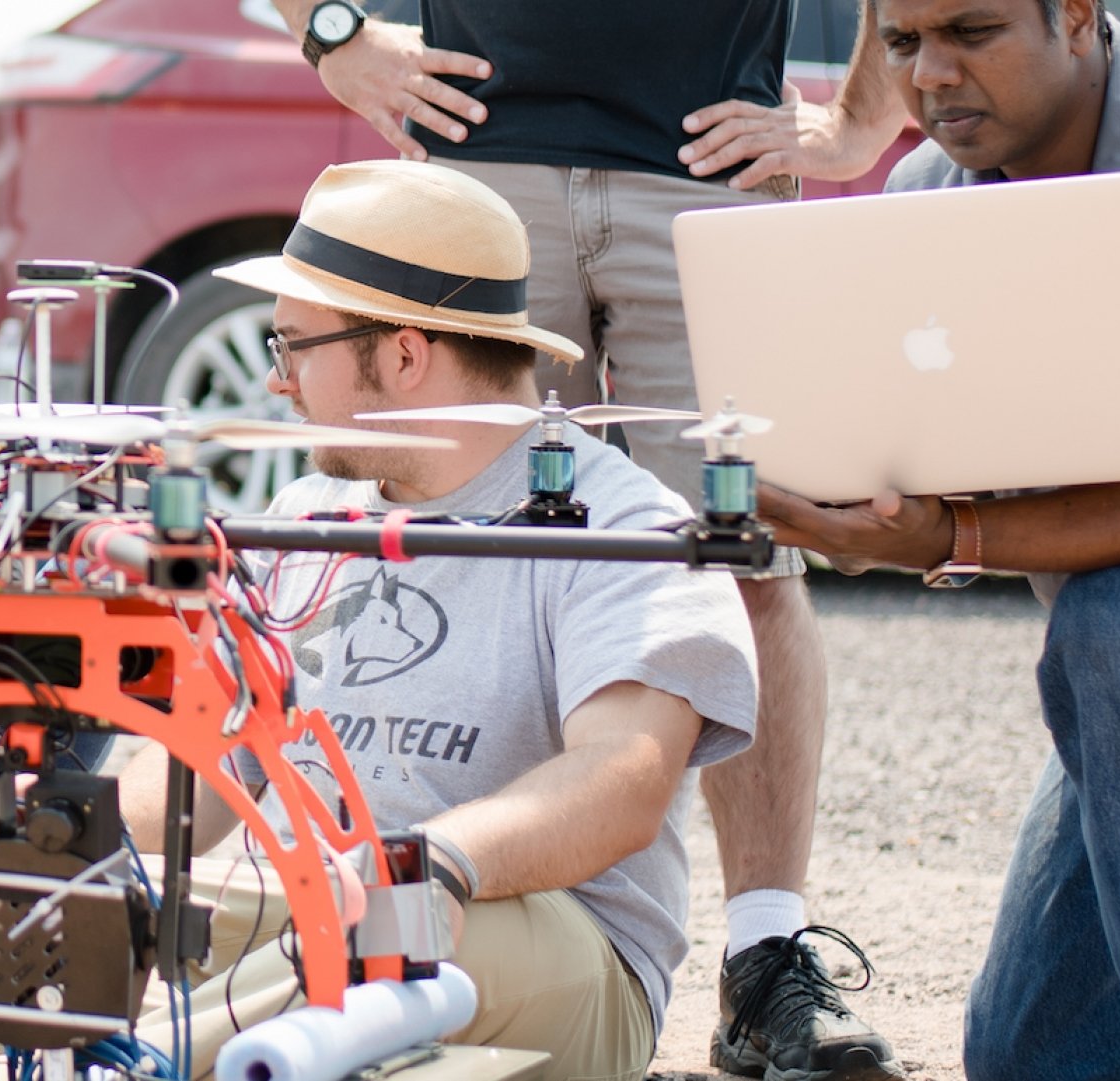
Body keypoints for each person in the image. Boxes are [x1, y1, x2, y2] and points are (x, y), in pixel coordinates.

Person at [267, 3, 911, 1075]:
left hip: (705, 156)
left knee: (739, 555)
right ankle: (450, 884)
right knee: (457, 526)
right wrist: (334, 32)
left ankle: (762, 954)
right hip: (484, 145)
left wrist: (856, 124)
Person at [116, 159, 760, 1081]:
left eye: (294, 347)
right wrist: (95, 861)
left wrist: (437, 862)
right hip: (297, 913)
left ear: (406, 354)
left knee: (376, 923)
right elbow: (199, 754)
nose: (279, 385)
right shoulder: (298, 516)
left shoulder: (625, 523)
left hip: (544, 946)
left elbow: (624, 778)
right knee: (45, 929)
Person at [758, 1, 1120, 1077]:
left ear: (1076, 16)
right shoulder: (927, 202)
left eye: (971, 31)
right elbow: (916, 470)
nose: (933, 77)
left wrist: (952, 534)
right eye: (907, 44)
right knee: (1036, 1055)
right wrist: (835, 500)